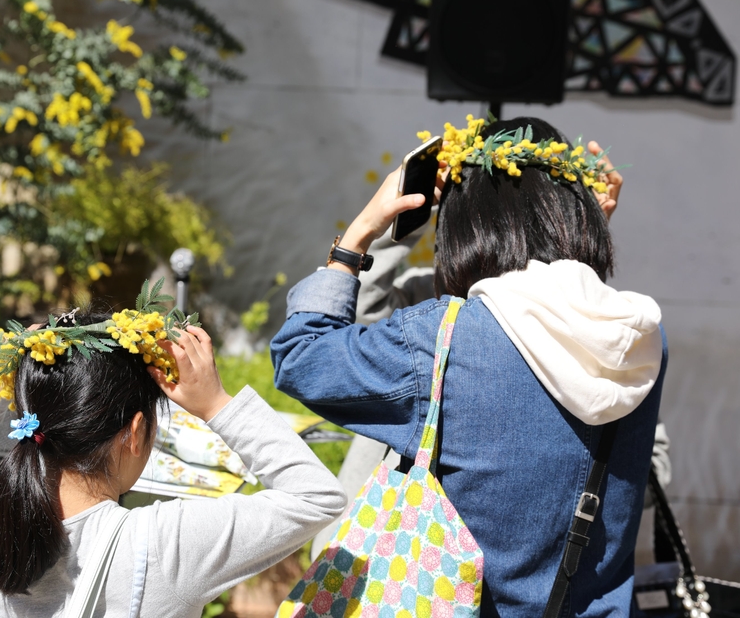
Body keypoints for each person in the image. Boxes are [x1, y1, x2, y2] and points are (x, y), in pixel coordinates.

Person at [271, 116, 666, 616]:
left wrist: (358, 236)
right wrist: (580, 232)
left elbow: (301, 355)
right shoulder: (643, 334)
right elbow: (569, 319)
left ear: (465, 226)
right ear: (581, 212)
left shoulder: (445, 337)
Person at [0, 311, 347, 618]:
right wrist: (216, 404)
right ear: (135, 432)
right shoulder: (164, 545)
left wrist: (5, 379)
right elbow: (318, 497)